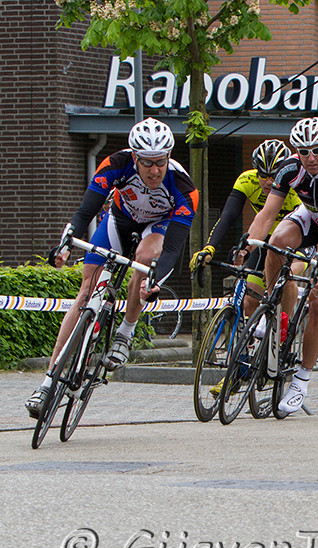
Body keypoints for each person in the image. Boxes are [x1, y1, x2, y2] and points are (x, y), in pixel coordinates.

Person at [26, 118, 197, 416]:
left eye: (160, 162)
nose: (154, 170)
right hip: (119, 219)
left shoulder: (183, 187)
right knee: (85, 293)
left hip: (158, 226)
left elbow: (171, 249)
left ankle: (125, 332)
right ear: (135, 158)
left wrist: (155, 280)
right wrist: (65, 244)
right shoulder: (116, 164)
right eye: (147, 163)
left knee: (144, 257)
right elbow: (85, 212)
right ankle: (48, 381)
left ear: (169, 156)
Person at [244, 117, 318, 416]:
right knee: (276, 241)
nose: (310, 158)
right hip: (311, 216)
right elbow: (266, 215)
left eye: (316, 150)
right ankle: (276, 312)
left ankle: (301, 381)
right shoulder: (289, 169)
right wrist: (246, 245)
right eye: (303, 151)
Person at [189, 139, 302, 317]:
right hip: (265, 238)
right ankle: (254, 333)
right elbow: (228, 216)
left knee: (285, 277)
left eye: (274, 176)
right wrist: (210, 247)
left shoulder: (295, 187)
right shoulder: (247, 180)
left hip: (296, 241)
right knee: (249, 302)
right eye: (263, 175)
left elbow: (305, 226)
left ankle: (284, 329)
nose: (268, 181)